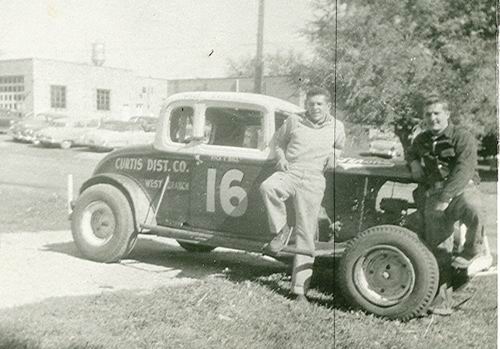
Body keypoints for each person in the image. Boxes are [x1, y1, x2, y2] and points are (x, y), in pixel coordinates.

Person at [259, 86, 345, 301]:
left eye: (319, 104)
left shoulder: (337, 126)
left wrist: (334, 156)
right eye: (311, 103)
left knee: (306, 233)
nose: (314, 108)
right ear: (306, 104)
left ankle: (299, 289)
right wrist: (281, 158)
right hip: (292, 171)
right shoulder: (294, 121)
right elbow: (277, 142)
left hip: (314, 178)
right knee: (268, 187)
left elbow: (338, 147)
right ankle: (281, 229)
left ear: (328, 106)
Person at [407, 93, 486, 268]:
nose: (432, 118)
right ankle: (442, 290)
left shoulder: (462, 137)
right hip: (434, 193)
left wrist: (446, 197)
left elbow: (464, 170)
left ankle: (471, 252)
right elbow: (411, 151)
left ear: (447, 114)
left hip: (461, 190)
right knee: (438, 253)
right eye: (428, 114)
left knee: (474, 207)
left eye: (436, 113)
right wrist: (414, 164)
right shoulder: (422, 139)